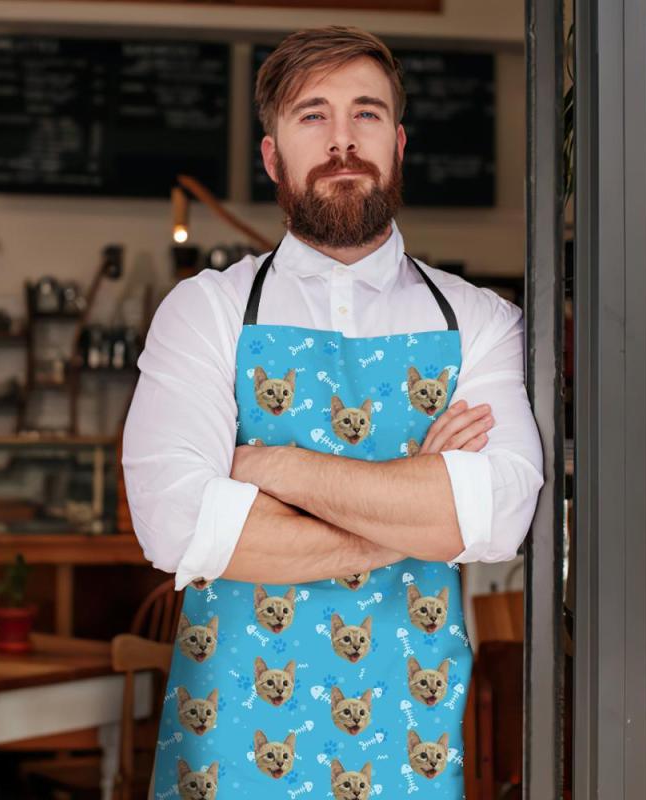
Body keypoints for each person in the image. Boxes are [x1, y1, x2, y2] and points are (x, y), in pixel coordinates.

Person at [123, 25, 543, 800]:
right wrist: (420, 506)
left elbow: (500, 515)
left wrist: (267, 468)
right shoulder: (206, 312)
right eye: (313, 115)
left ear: (399, 143)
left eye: (366, 114)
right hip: (226, 755)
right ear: (272, 155)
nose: (342, 140)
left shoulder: (481, 321)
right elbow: (177, 526)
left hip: (408, 750)